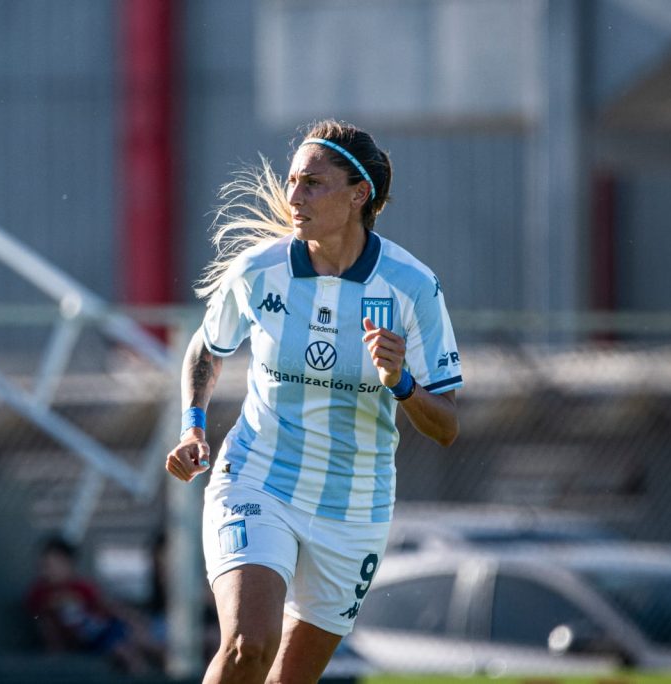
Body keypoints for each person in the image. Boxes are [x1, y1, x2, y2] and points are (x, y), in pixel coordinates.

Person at [165, 120, 464, 683]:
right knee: (247, 646)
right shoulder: (259, 270)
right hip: (258, 477)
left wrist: (401, 383)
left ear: (358, 196)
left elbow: (447, 426)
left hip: (354, 507)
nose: (294, 197)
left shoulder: (412, 286)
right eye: (293, 181)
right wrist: (193, 426)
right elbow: (208, 348)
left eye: (312, 184)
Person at [25, 535, 159, 674]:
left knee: (143, 645)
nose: (50, 571)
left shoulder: (81, 588)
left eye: (56, 565)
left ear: (69, 565)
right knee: (124, 652)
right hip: (88, 641)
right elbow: (44, 624)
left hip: (105, 630)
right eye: (45, 566)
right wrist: (54, 650)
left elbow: (109, 606)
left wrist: (134, 619)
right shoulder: (39, 594)